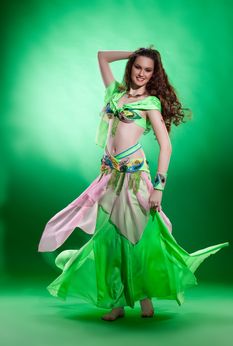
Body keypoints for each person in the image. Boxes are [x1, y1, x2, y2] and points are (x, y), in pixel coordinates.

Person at [38, 47, 229, 322]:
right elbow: (102, 56)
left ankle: (145, 298)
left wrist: (159, 187)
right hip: (110, 177)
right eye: (138, 67)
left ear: (154, 74)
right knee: (109, 239)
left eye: (148, 70)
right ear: (131, 67)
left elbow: (166, 146)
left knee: (138, 238)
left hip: (135, 177)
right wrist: (136, 52)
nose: (141, 73)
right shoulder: (115, 93)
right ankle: (116, 303)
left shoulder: (150, 103)